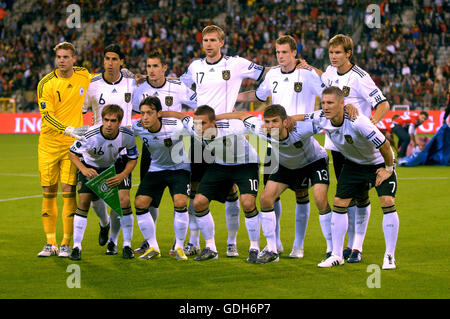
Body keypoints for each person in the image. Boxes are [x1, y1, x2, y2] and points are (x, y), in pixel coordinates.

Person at [302, 34, 391, 263]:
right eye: (331, 52)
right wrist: (310, 68)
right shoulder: (331, 73)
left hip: (358, 145)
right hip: (336, 144)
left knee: (359, 198)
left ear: (348, 53)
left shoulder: (360, 77)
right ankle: (343, 249)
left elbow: (383, 104)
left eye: (338, 52)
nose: (333, 56)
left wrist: (370, 124)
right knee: (345, 197)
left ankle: (356, 247)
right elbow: (327, 83)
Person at [179, 25, 266, 257]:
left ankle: (232, 242)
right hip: (200, 133)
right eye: (205, 40)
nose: (208, 44)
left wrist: (248, 99)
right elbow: (180, 84)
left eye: (213, 40)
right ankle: (196, 242)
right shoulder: (195, 66)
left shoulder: (235, 64)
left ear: (221, 42)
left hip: (228, 132)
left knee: (233, 193)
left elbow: (264, 73)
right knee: (195, 192)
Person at [236, 35, 327, 258]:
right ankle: (274, 242)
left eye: (285, 52)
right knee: (270, 195)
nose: (281, 57)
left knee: (301, 194)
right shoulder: (273, 74)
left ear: (295, 53)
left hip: (300, 138)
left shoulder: (307, 74)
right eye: (277, 53)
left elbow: (329, 92)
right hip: (273, 141)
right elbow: (258, 96)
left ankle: (298, 244)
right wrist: (229, 96)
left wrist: (314, 69)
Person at [295, 87, 399, 269]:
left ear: (342, 104)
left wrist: (388, 169)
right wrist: (286, 120)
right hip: (354, 164)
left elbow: (385, 144)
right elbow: (302, 117)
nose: (325, 107)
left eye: (330, 103)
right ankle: (336, 255)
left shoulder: (359, 122)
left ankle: (389, 256)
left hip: (378, 162)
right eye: (323, 103)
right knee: (339, 202)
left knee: (387, 200)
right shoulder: (321, 118)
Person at [217, 104, 334, 263]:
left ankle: (332, 248)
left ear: (285, 122)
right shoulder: (262, 130)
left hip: (313, 162)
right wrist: (212, 119)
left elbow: (325, 115)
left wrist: (347, 108)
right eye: (268, 121)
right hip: (286, 166)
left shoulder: (302, 128)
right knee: (265, 199)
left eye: (275, 121)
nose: (271, 125)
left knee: (320, 199)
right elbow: (241, 115)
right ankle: (272, 250)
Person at [160, 105, 261, 263]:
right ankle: (210, 248)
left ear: (213, 123)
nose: (199, 128)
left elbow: (242, 115)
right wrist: (160, 113)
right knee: (199, 203)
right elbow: (180, 116)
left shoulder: (232, 127)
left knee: (248, 203)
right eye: (197, 124)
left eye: (204, 123)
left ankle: (254, 248)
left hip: (246, 164)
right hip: (220, 165)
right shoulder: (195, 128)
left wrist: (220, 116)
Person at [131, 51, 198, 256]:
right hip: (152, 149)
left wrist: (178, 117)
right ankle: (149, 242)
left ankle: (186, 242)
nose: (151, 70)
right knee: (149, 199)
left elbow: (199, 105)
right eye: (148, 66)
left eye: (155, 66)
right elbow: (135, 116)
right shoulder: (139, 89)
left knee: (181, 198)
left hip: (177, 146)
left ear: (164, 68)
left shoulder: (178, 87)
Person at [36, 41, 91, 258]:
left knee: (69, 192)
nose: (62, 60)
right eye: (59, 56)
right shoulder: (45, 83)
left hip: (71, 147)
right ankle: (50, 243)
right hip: (49, 145)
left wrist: (126, 75)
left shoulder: (83, 75)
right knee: (49, 191)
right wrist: (66, 129)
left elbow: (102, 79)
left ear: (74, 59)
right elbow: (46, 116)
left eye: (66, 56)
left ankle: (66, 243)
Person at [83, 44, 137, 255]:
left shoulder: (131, 82)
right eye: (107, 59)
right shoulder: (93, 84)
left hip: (122, 148)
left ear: (121, 62)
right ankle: (104, 224)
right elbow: (84, 109)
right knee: (96, 199)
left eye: (115, 59)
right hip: (98, 149)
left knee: (121, 200)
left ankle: (116, 242)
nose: (110, 63)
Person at [68, 104, 138, 260]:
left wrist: (122, 175)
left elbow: (133, 159)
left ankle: (126, 244)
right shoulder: (89, 135)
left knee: (123, 201)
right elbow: (72, 153)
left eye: (113, 121)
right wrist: (84, 170)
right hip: (90, 167)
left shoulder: (127, 135)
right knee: (84, 201)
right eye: (106, 120)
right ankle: (77, 247)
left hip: (116, 166)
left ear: (119, 122)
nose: (108, 124)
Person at [132, 96, 191, 261]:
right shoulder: (138, 127)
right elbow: (120, 131)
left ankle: (179, 247)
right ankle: (153, 247)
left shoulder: (176, 126)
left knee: (180, 202)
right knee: (140, 203)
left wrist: (176, 114)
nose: (144, 117)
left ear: (158, 113)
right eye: (142, 113)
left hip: (179, 168)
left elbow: (196, 125)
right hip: (157, 168)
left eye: (149, 113)